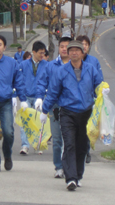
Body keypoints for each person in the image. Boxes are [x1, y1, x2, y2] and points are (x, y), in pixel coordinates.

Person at [37, 41, 103, 191]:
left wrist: (102, 90)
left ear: (82, 53)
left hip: (86, 113)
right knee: (69, 144)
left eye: (77, 50)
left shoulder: (91, 69)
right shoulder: (61, 71)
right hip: (67, 112)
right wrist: (44, 110)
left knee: (82, 146)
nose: (74, 53)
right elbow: (53, 92)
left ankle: (78, 176)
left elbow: (99, 85)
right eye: (71, 50)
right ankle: (71, 178)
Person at [0, 35, 27, 172]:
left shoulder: (12, 63)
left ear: (4, 47)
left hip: (5, 103)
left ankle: (7, 155)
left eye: (0, 44)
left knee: (8, 132)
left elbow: (19, 83)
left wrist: (23, 99)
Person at [35, 36, 72, 179]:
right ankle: (58, 166)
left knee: (70, 139)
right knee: (57, 139)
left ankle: (69, 166)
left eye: (66, 46)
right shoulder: (50, 66)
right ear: (58, 47)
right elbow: (42, 82)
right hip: (55, 106)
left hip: (71, 106)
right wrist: (39, 97)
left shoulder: (76, 66)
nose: (64, 49)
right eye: (61, 46)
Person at [76, 35, 104, 164]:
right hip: (75, 101)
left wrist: (101, 91)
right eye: (82, 44)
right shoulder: (73, 61)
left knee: (87, 128)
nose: (85, 46)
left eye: (86, 44)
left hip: (90, 100)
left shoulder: (94, 61)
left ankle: (86, 151)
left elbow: (99, 80)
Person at [18, 41, 48, 155]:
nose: (42, 55)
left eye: (43, 53)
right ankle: (25, 145)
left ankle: (37, 144)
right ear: (33, 52)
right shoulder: (23, 65)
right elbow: (19, 81)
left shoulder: (46, 65)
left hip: (39, 97)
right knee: (25, 122)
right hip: (26, 96)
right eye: (40, 53)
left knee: (39, 121)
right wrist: (21, 97)